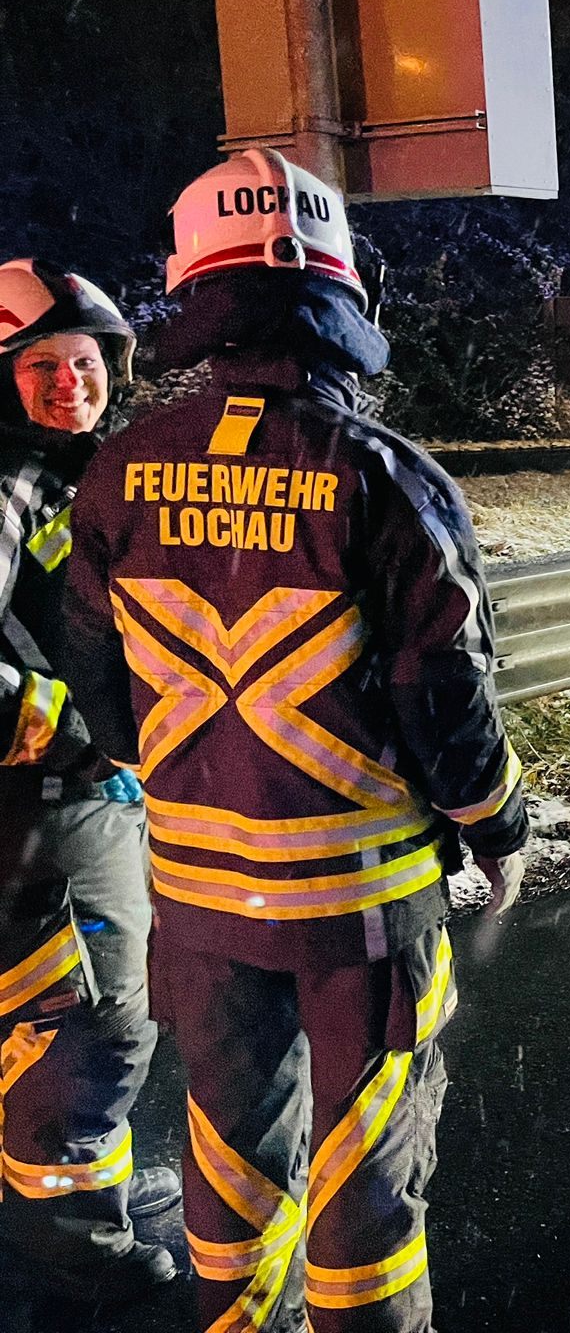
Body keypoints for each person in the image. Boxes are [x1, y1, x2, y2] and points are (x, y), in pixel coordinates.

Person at [60, 148, 528, 1333]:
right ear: (339, 298)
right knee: (367, 1170)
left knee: (227, 1148)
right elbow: (445, 693)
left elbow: (95, 680)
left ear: (195, 298)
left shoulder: (118, 472)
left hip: (203, 907)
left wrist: (178, 779)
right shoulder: (382, 476)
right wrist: (496, 827)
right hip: (361, 914)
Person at [0, 261, 179, 1303]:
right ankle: (80, 1250)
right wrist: (69, 735)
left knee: (57, 1020)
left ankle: (70, 1197)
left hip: (78, 799)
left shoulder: (77, 470)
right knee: (91, 1019)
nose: (70, 383)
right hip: (46, 811)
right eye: (39, 368)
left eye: (84, 361)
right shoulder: (14, 481)